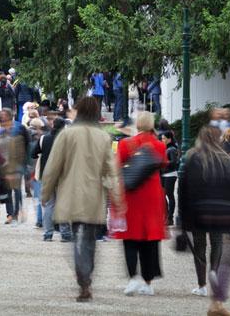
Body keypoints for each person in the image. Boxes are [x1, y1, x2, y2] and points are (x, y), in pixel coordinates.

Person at [41, 97, 124, 302]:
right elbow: (111, 170)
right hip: (94, 195)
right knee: (89, 239)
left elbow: (53, 167)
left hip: (71, 193)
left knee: (76, 239)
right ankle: (87, 276)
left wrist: (46, 193)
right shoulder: (103, 137)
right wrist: (116, 194)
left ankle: (83, 278)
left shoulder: (66, 135)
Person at [179, 126, 230, 316]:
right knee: (216, 242)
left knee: (199, 245)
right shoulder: (225, 158)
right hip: (220, 209)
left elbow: (183, 188)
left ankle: (201, 284)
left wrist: (182, 217)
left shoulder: (192, 157)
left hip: (198, 209)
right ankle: (214, 271)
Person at [114, 111, 167, 296]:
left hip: (132, 196)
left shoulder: (125, 144)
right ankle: (148, 281)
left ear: (137, 124)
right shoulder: (159, 145)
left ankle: (132, 278)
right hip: (152, 196)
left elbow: (118, 166)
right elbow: (163, 164)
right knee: (150, 239)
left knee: (130, 238)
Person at [160, 131, 179, 226]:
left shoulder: (171, 149)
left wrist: (163, 162)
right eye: (162, 138)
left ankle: (170, 217)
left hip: (170, 175)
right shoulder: (167, 148)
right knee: (163, 196)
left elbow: (174, 162)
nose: (162, 140)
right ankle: (167, 216)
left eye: (164, 138)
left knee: (169, 195)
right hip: (164, 175)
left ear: (169, 139)